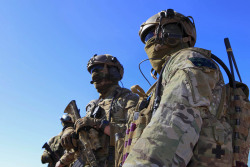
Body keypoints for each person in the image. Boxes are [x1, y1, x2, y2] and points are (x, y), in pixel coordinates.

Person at [122, 9, 234, 167]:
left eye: (158, 32)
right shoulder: (161, 82)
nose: (153, 40)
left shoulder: (188, 61)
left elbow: (171, 124)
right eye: (148, 37)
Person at [56, 54, 138, 167]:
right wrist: (71, 135)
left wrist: (98, 124)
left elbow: (135, 132)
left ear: (113, 71)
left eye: (97, 69)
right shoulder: (92, 105)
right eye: (92, 71)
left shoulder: (128, 98)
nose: (94, 75)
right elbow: (84, 141)